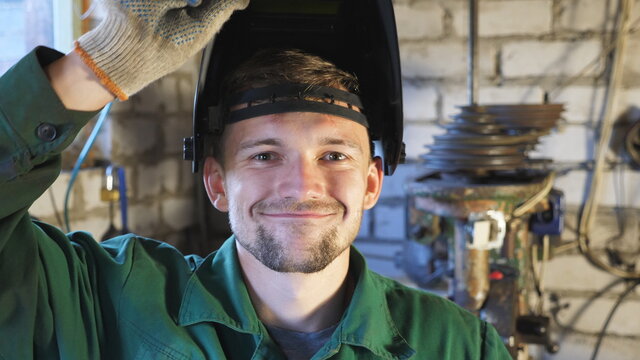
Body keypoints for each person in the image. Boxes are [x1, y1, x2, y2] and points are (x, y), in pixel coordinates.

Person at [0, 0, 512, 359]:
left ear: (372, 183)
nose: (302, 185)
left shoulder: (460, 346)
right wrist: (93, 69)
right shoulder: (105, 300)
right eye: (266, 156)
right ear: (217, 183)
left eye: (334, 155)